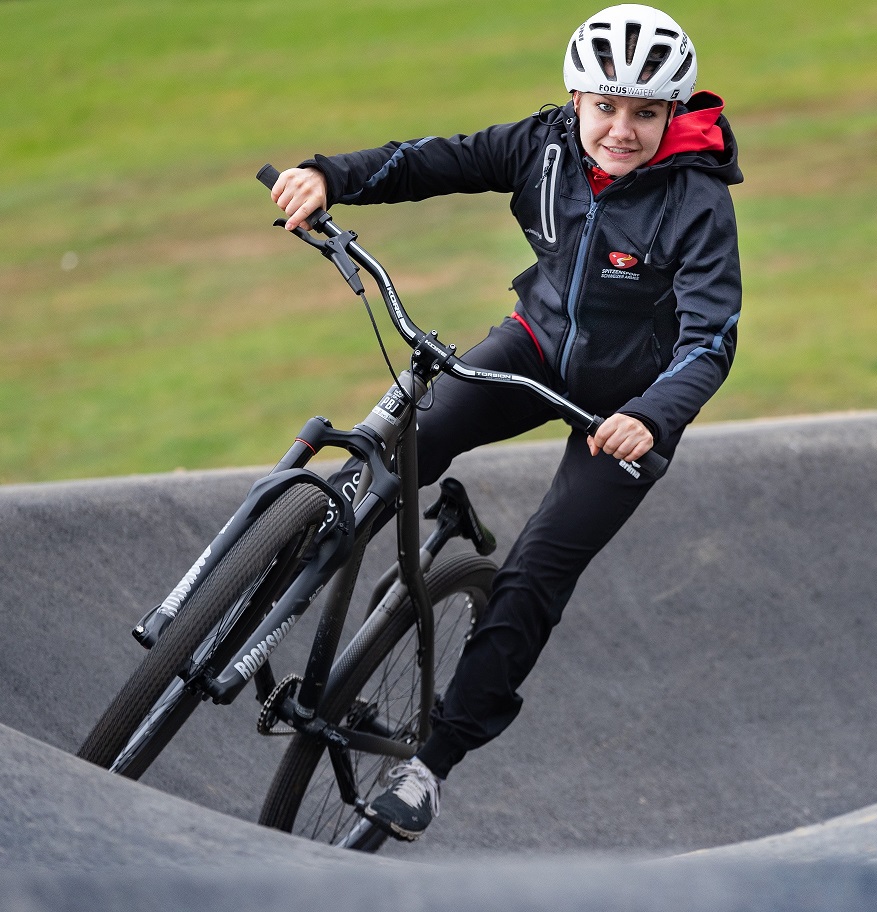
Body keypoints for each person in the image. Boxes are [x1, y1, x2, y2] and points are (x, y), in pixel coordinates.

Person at [271, 3, 742, 843]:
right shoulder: (544, 144)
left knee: (534, 574)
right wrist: (329, 176)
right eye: (605, 105)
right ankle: (279, 581)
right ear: (574, 96)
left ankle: (429, 766)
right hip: (534, 350)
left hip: (628, 409)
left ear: (674, 113)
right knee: (406, 437)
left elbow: (708, 342)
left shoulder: (697, 201)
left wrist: (651, 417)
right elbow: (432, 161)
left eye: (645, 113)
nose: (621, 130)